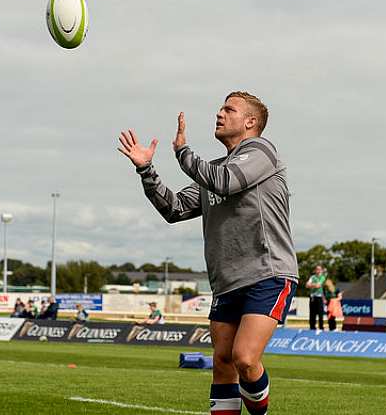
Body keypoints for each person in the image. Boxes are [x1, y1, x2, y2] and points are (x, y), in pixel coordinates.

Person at [119, 92, 298, 415]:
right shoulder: (210, 172)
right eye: (220, 108)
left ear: (250, 122)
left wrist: (183, 153)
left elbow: (227, 182)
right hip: (226, 282)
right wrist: (146, 170)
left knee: (245, 357)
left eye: (229, 109)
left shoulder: (261, 151)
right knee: (223, 362)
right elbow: (173, 209)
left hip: (267, 273)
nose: (219, 113)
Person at [306, 265, 326, 331]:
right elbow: (307, 285)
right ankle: (312, 327)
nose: (318, 270)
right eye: (317, 269)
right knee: (312, 313)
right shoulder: (312, 277)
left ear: (321, 270)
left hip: (319, 297)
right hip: (312, 297)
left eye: (319, 269)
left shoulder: (322, 277)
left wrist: (311, 285)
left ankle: (321, 327)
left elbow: (318, 285)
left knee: (320, 313)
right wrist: (313, 285)